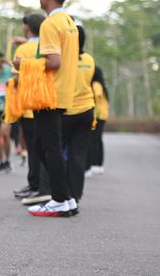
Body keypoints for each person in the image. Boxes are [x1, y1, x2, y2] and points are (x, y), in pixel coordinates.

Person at [18, 0, 79, 217]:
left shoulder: (50, 24)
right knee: (43, 146)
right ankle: (67, 198)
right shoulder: (68, 22)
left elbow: (53, 62)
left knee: (49, 148)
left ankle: (59, 200)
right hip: (62, 92)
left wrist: (23, 64)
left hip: (49, 94)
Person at [10, 13, 53, 204]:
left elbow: (17, 77)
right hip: (48, 100)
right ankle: (39, 185)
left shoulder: (23, 49)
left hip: (29, 105)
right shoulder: (47, 46)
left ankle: (35, 186)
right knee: (44, 147)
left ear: (27, 27)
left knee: (34, 149)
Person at [61, 25, 95, 212]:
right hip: (87, 110)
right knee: (78, 155)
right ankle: (76, 196)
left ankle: (62, 194)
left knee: (58, 153)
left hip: (67, 112)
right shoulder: (89, 59)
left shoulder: (64, 60)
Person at [86, 66, 109, 176]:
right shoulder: (101, 85)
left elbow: (96, 97)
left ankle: (94, 164)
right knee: (98, 140)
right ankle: (98, 165)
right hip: (102, 116)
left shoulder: (96, 84)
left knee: (93, 140)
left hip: (97, 116)